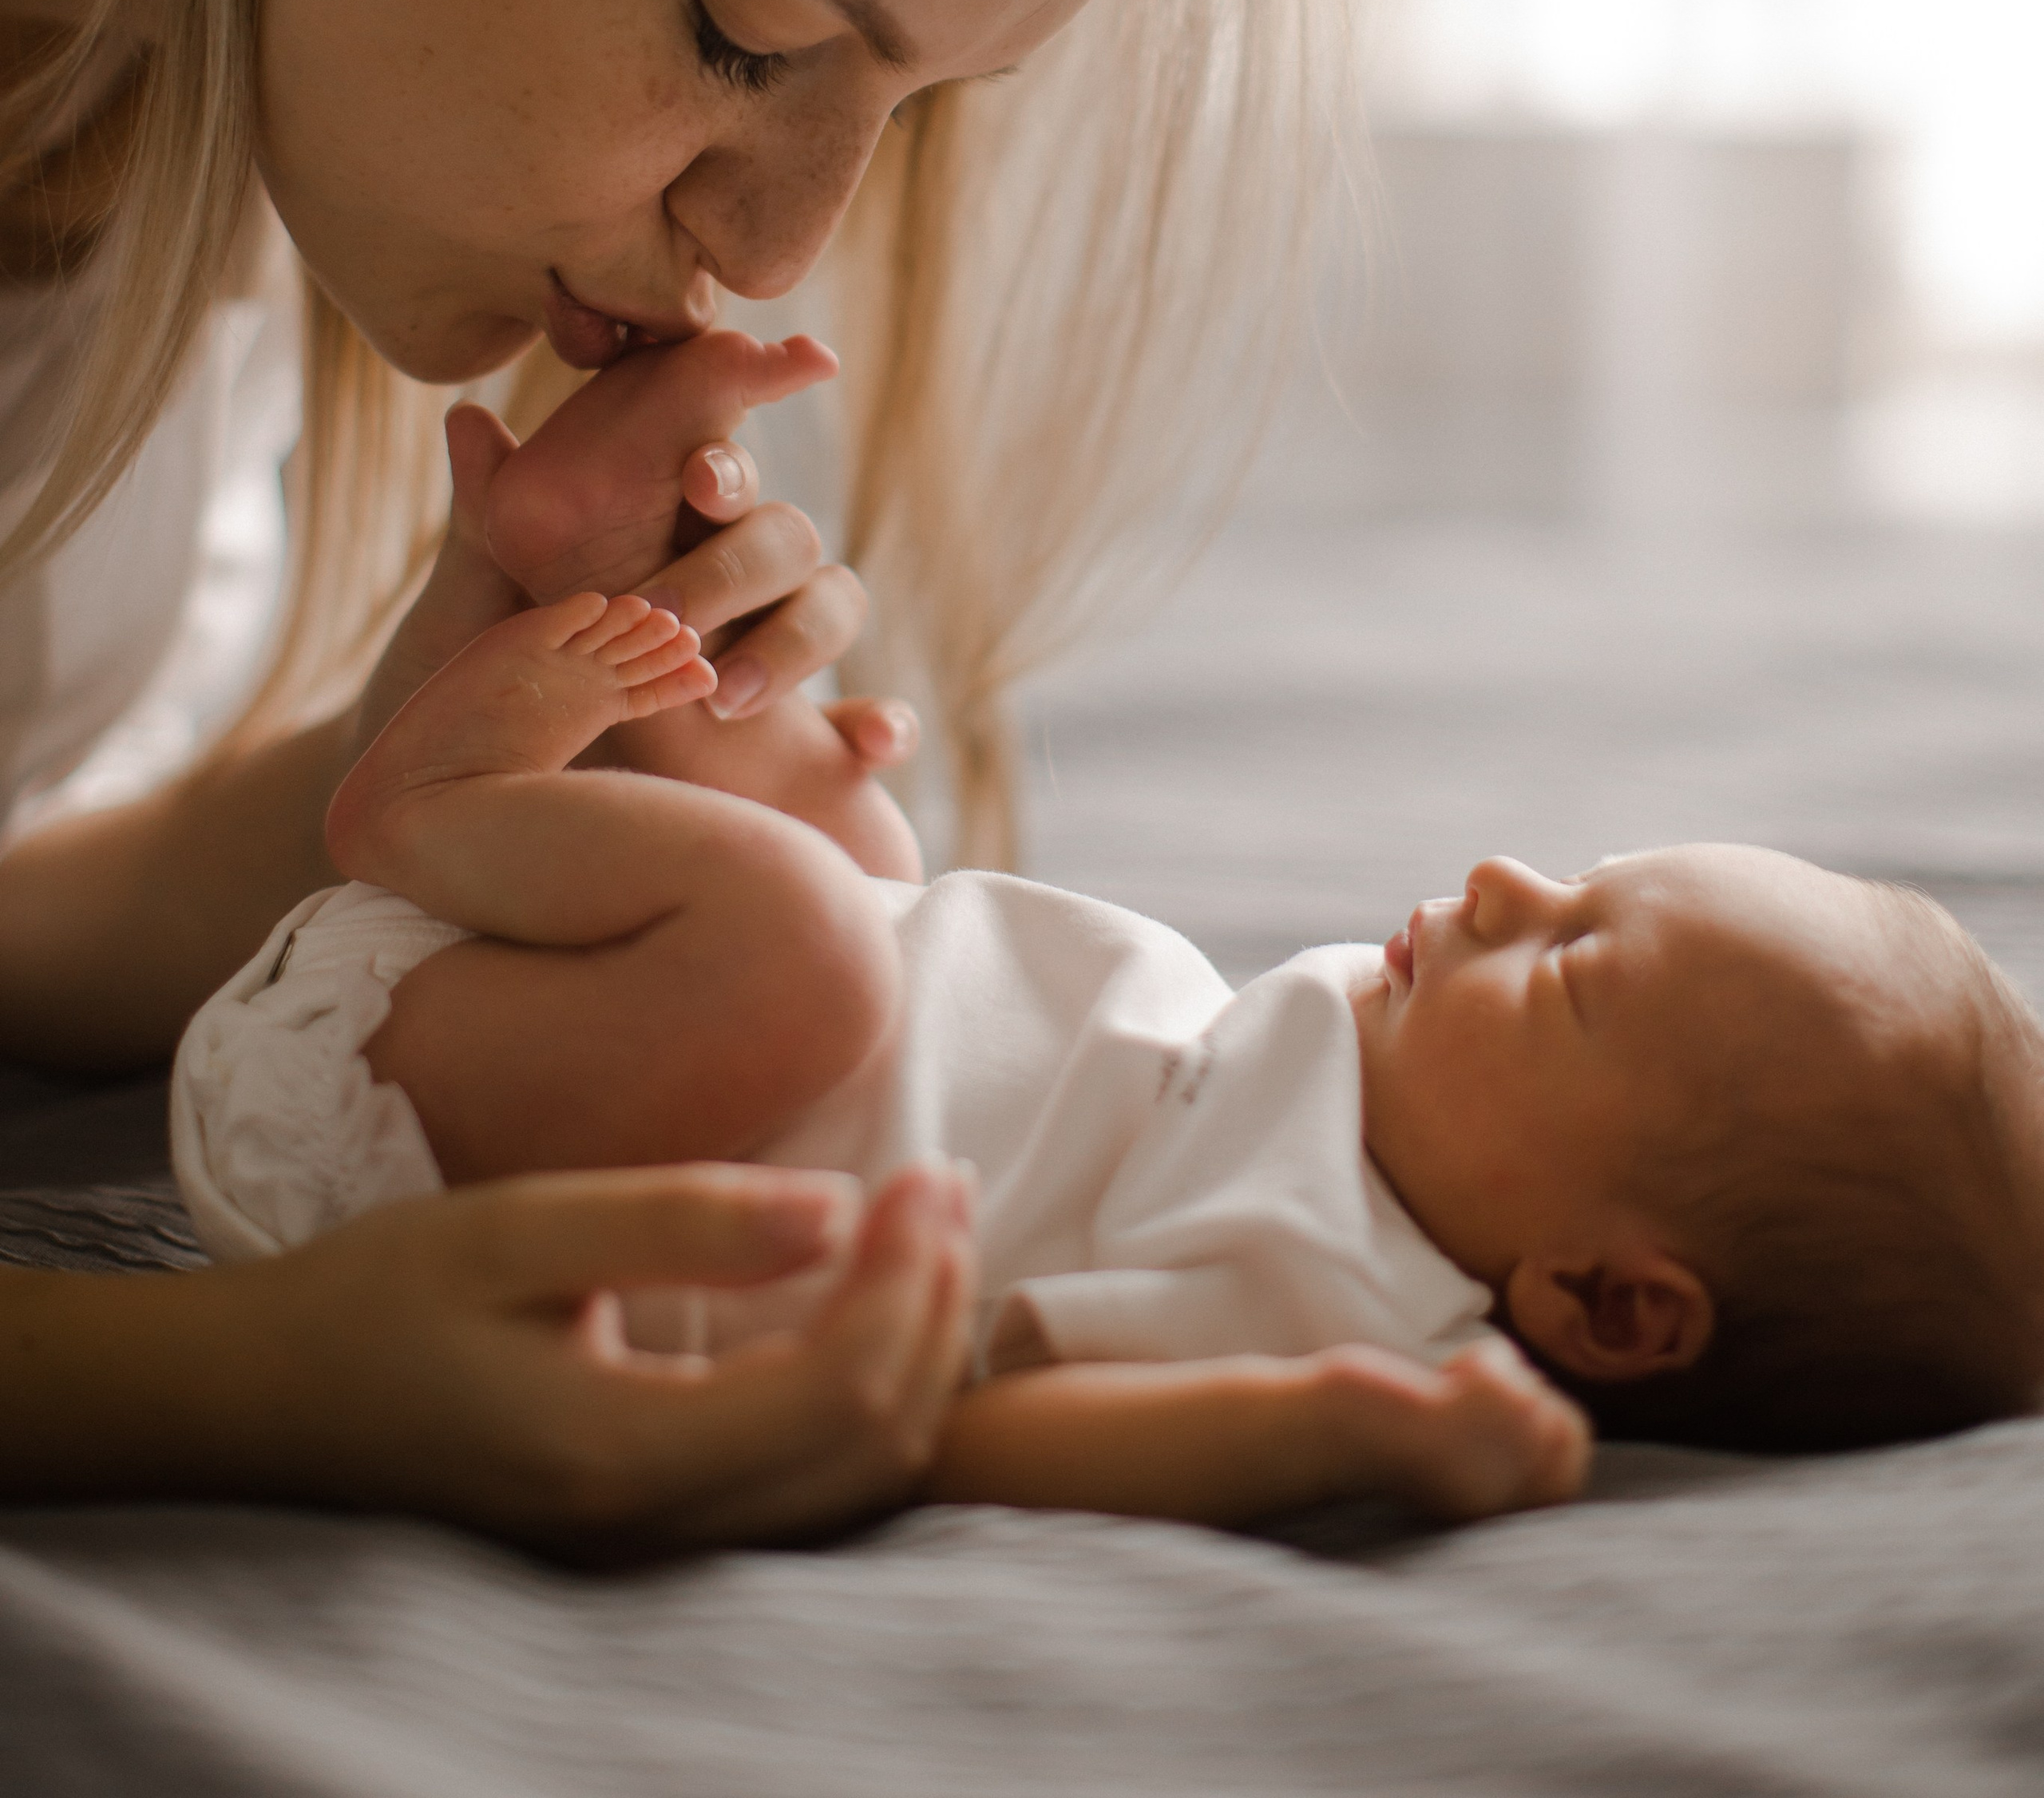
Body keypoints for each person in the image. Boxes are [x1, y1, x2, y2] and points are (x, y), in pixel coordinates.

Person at [0, 0, 1325, 1541]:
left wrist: (445, 760)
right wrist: (241, 1378)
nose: (781, 248)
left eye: (901, 103)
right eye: (741, 36)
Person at [175, 502, 2044, 1507]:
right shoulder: (1361, 1110)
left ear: (1608, 1303)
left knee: (813, 939)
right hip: (593, 1053)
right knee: (847, 841)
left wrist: (1324, 1433)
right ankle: (585, 547)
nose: (1496, 885)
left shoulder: (1339, 1302)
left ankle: (421, 807)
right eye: (1573, 878)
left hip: (420, 1178)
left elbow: (967, 1427)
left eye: (1564, 966)